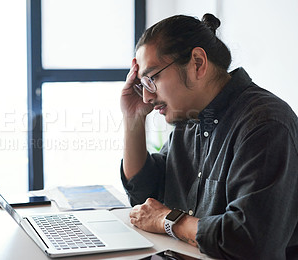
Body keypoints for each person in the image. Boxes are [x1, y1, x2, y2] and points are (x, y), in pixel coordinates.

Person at [120, 13, 298, 259]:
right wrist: (133, 119)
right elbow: (144, 196)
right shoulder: (190, 120)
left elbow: (250, 240)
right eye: (143, 85)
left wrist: (166, 219)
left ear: (197, 63)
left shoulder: (265, 124)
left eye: (152, 79)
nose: (147, 97)